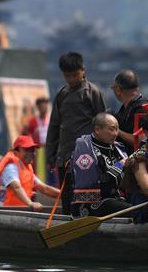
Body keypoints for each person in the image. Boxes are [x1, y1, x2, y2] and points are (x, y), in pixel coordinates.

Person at [44, 52, 106, 212]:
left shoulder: (93, 92)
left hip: (88, 156)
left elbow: (103, 123)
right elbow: (54, 126)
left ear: (83, 70)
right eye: (67, 76)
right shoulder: (62, 94)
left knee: (87, 195)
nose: (71, 79)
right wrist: (50, 156)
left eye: (74, 75)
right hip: (65, 155)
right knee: (67, 197)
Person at [69, 112, 129, 218]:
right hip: (93, 204)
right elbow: (101, 185)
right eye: (111, 129)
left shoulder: (117, 148)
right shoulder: (85, 151)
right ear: (97, 130)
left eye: (117, 129)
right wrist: (120, 165)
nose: (115, 133)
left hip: (117, 199)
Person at [0, 135, 60, 209]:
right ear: (16, 151)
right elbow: (16, 187)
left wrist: (64, 195)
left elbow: (44, 188)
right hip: (3, 212)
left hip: (16, 211)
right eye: (26, 150)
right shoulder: (11, 167)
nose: (31, 153)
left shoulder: (26, 168)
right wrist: (30, 203)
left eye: (32, 150)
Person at [112, 69, 148, 150]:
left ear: (118, 90)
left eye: (113, 88)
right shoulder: (126, 108)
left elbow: (142, 140)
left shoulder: (143, 109)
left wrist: (116, 131)